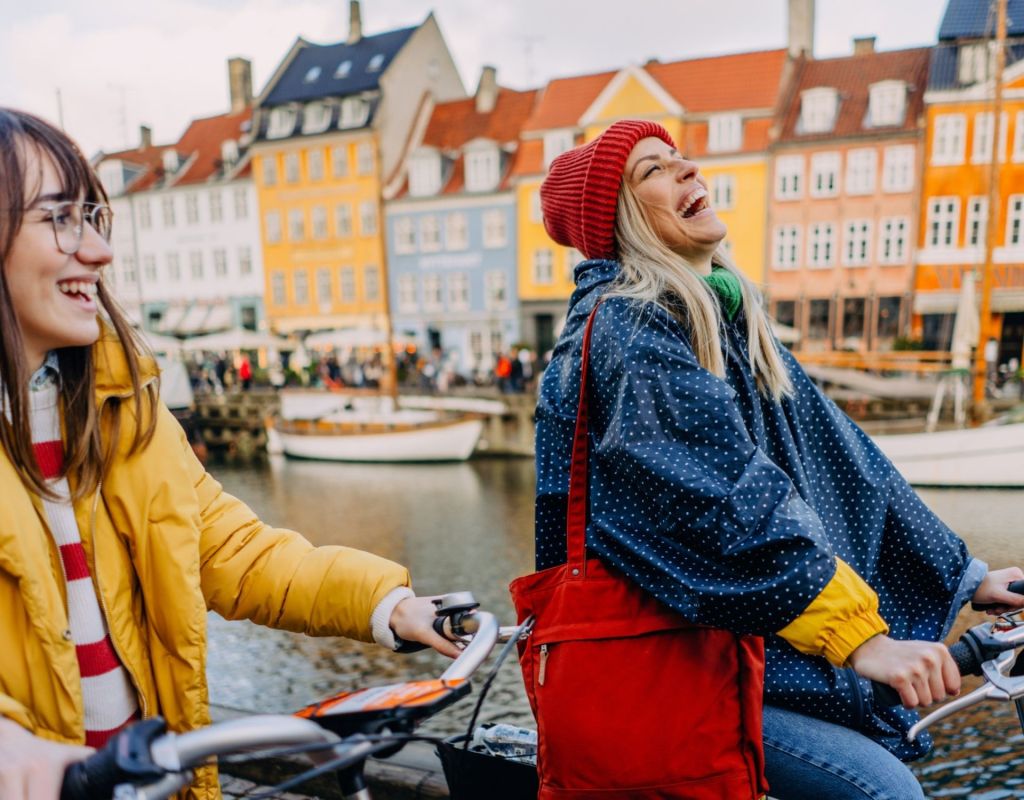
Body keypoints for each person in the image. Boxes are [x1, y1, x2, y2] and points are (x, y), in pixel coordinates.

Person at [533, 120, 1024, 799]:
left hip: (728, 645)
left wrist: (964, 574)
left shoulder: (725, 320)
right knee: (886, 792)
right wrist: (862, 640)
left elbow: (848, 460)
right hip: (665, 660)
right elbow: (726, 498)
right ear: (619, 220)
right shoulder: (630, 327)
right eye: (653, 169)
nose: (687, 169)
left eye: (682, 158)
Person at [0, 108, 461, 800]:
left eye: (95, 218)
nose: (97, 251)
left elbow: (235, 552)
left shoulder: (126, 411)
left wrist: (388, 604)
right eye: (60, 218)